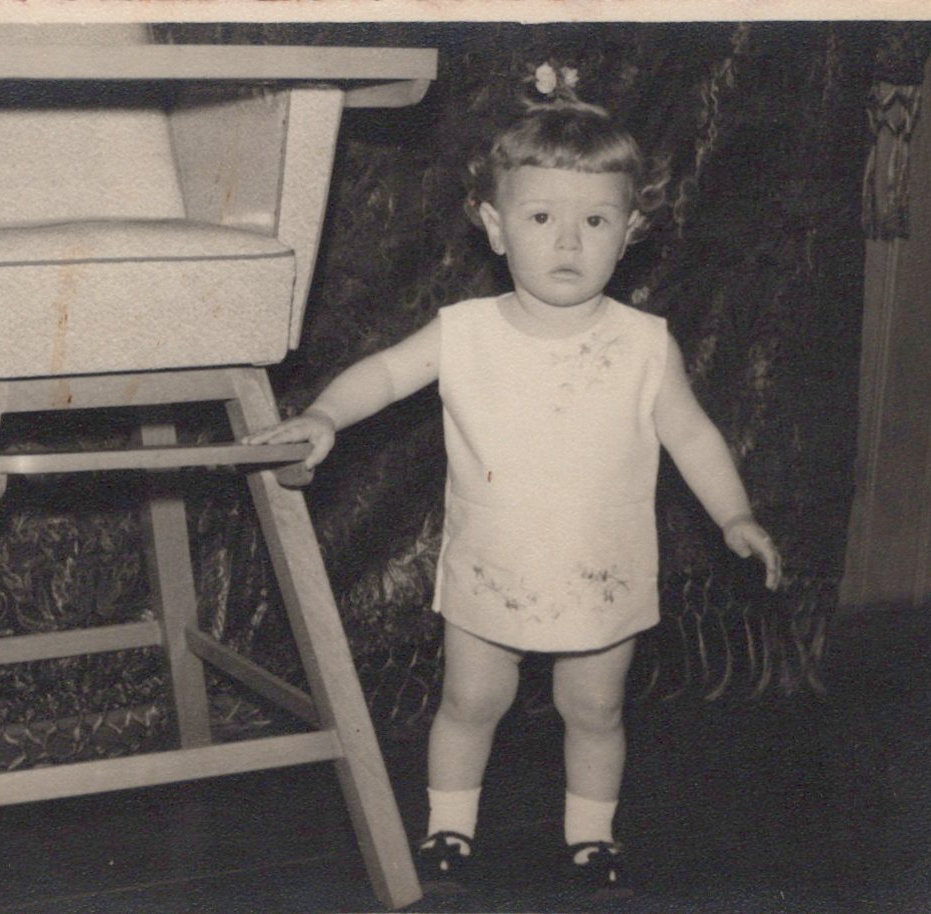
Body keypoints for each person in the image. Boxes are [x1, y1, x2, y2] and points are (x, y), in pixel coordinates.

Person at [244, 84, 782, 898]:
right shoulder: (465, 332)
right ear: (495, 228)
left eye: (594, 220)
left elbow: (694, 436)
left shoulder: (644, 346)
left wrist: (733, 514)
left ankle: (591, 836)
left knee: (593, 709)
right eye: (539, 217)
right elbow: (383, 375)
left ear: (630, 231)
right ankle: (448, 828)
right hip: (492, 564)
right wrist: (323, 415)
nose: (566, 240)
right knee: (470, 701)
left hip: (601, 568)